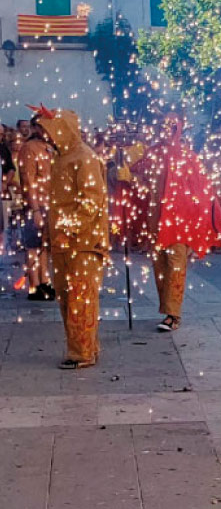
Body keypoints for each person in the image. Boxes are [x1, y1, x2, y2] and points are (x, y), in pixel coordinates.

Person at [33, 107, 109, 369]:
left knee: (81, 297)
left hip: (84, 243)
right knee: (67, 297)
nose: (46, 137)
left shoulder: (85, 158)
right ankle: (86, 347)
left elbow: (91, 200)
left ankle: (81, 353)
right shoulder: (60, 158)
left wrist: (69, 228)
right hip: (63, 242)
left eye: (50, 131)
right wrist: (51, 231)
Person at [145, 113, 221, 332]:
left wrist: (196, 226)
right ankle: (167, 309)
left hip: (179, 225)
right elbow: (142, 182)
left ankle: (173, 315)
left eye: (171, 128)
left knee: (175, 268)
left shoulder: (188, 157)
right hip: (158, 223)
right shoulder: (154, 155)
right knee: (160, 268)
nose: (166, 132)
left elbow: (201, 192)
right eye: (163, 127)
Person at [18, 116, 55, 301]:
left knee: (45, 246)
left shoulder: (48, 147)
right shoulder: (28, 148)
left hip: (48, 203)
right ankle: (34, 285)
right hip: (36, 205)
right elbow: (28, 181)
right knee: (33, 246)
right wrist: (35, 210)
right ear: (36, 128)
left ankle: (44, 281)